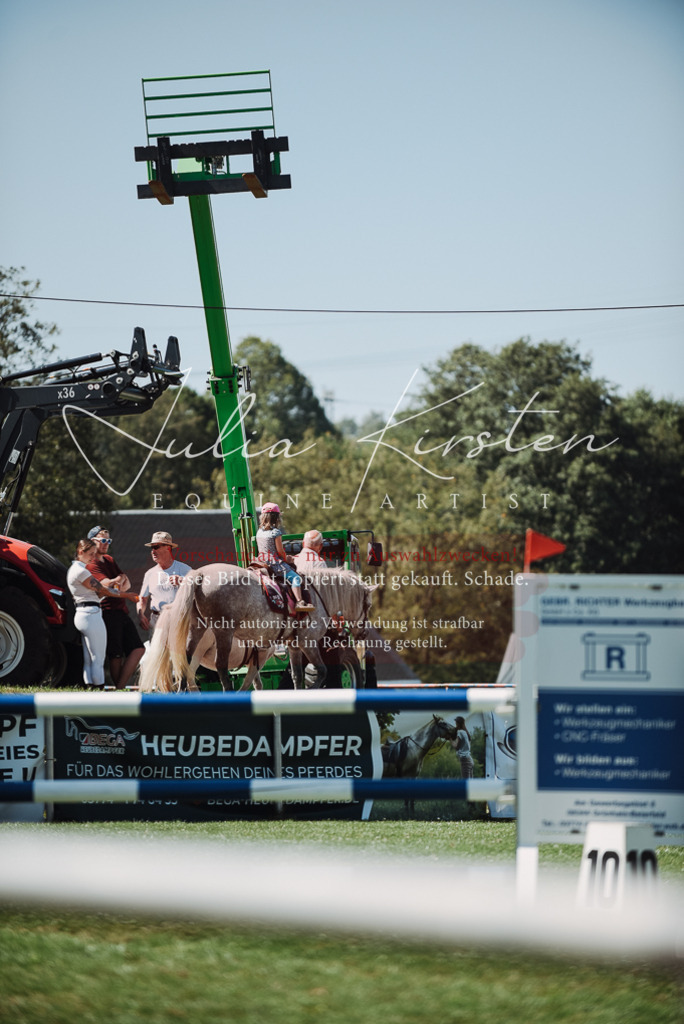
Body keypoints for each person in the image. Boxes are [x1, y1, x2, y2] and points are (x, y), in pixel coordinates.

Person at [85, 525, 144, 689]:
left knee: (138, 649)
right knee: (115, 654)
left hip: (121, 610)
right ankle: (119, 690)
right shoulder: (92, 563)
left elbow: (125, 583)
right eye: (102, 540)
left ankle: (119, 688)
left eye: (108, 540)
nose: (106, 543)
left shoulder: (109, 560)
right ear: (92, 542)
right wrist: (119, 579)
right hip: (108, 611)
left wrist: (118, 581)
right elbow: (107, 587)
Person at [66, 538, 124, 690]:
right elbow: (102, 589)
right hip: (90, 614)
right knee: (98, 658)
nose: (93, 557)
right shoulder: (81, 571)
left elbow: (99, 593)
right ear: (80, 552)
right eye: (90, 554)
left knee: (89, 658)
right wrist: (122, 589)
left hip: (83, 612)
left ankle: (91, 688)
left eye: (94, 554)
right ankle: (99, 690)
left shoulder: (74, 570)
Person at [256, 503, 314, 612]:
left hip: (261, 561)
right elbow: (280, 551)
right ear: (276, 518)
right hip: (274, 564)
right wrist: (287, 558)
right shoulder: (275, 532)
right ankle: (299, 602)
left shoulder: (259, 532)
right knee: (296, 578)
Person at [137, 531, 191, 633]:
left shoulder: (184, 569)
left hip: (178, 620)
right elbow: (143, 598)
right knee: (157, 649)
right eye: (151, 548)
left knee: (177, 649)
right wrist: (140, 614)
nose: (153, 551)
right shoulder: (150, 573)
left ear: (168, 547)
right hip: (156, 622)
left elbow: (200, 585)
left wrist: (182, 581)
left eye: (156, 547)